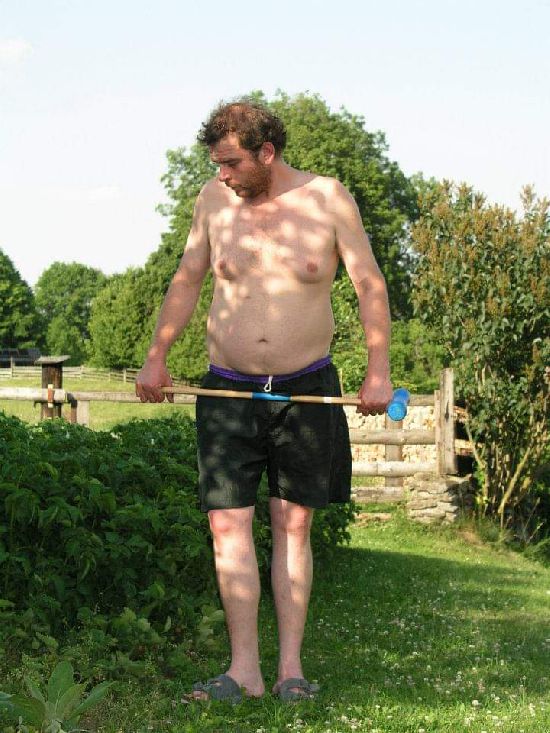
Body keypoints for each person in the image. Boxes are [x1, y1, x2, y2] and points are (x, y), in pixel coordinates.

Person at [135, 99, 393, 702]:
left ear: (267, 153)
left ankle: (290, 672)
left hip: (306, 386)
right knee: (227, 522)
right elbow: (188, 279)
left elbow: (368, 282)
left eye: (231, 163)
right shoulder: (212, 201)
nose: (222, 174)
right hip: (226, 386)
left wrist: (378, 370)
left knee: (292, 523)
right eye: (217, 164)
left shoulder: (328, 199)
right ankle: (243, 671)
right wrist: (156, 355)